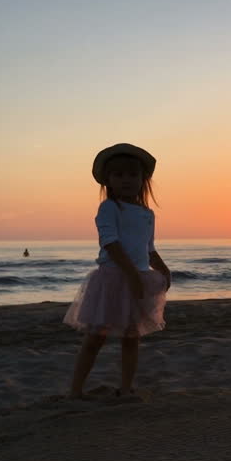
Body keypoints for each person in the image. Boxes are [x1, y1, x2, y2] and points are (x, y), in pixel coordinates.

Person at [64, 143, 172, 399]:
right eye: (119, 175)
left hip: (137, 280)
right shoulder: (110, 208)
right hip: (112, 279)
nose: (126, 180)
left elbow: (148, 249)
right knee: (95, 338)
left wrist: (163, 269)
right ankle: (75, 390)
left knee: (131, 338)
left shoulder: (147, 213)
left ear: (143, 179)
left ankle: (126, 388)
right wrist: (132, 275)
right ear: (108, 180)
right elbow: (110, 243)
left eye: (132, 175)